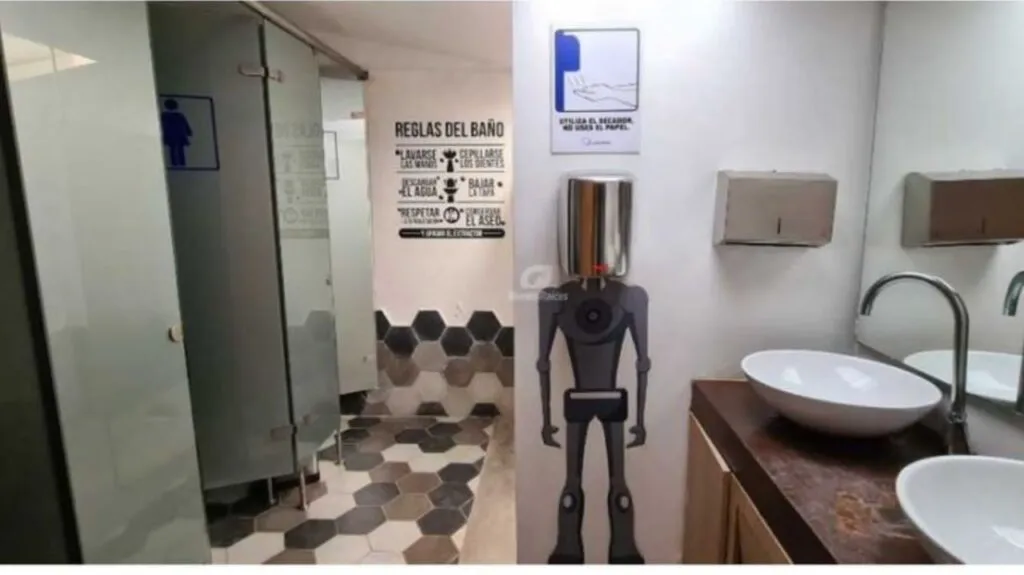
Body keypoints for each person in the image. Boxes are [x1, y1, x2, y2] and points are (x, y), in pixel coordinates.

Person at [160, 98, 192, 167]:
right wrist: (189, 132)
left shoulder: (164, 115)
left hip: (171, 135)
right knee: (180, 149)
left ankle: (175, 163)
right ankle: (181, 163)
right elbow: (185, 124)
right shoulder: (179, 115)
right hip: (179, 135)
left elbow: (163, 125)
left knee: (173, 149)